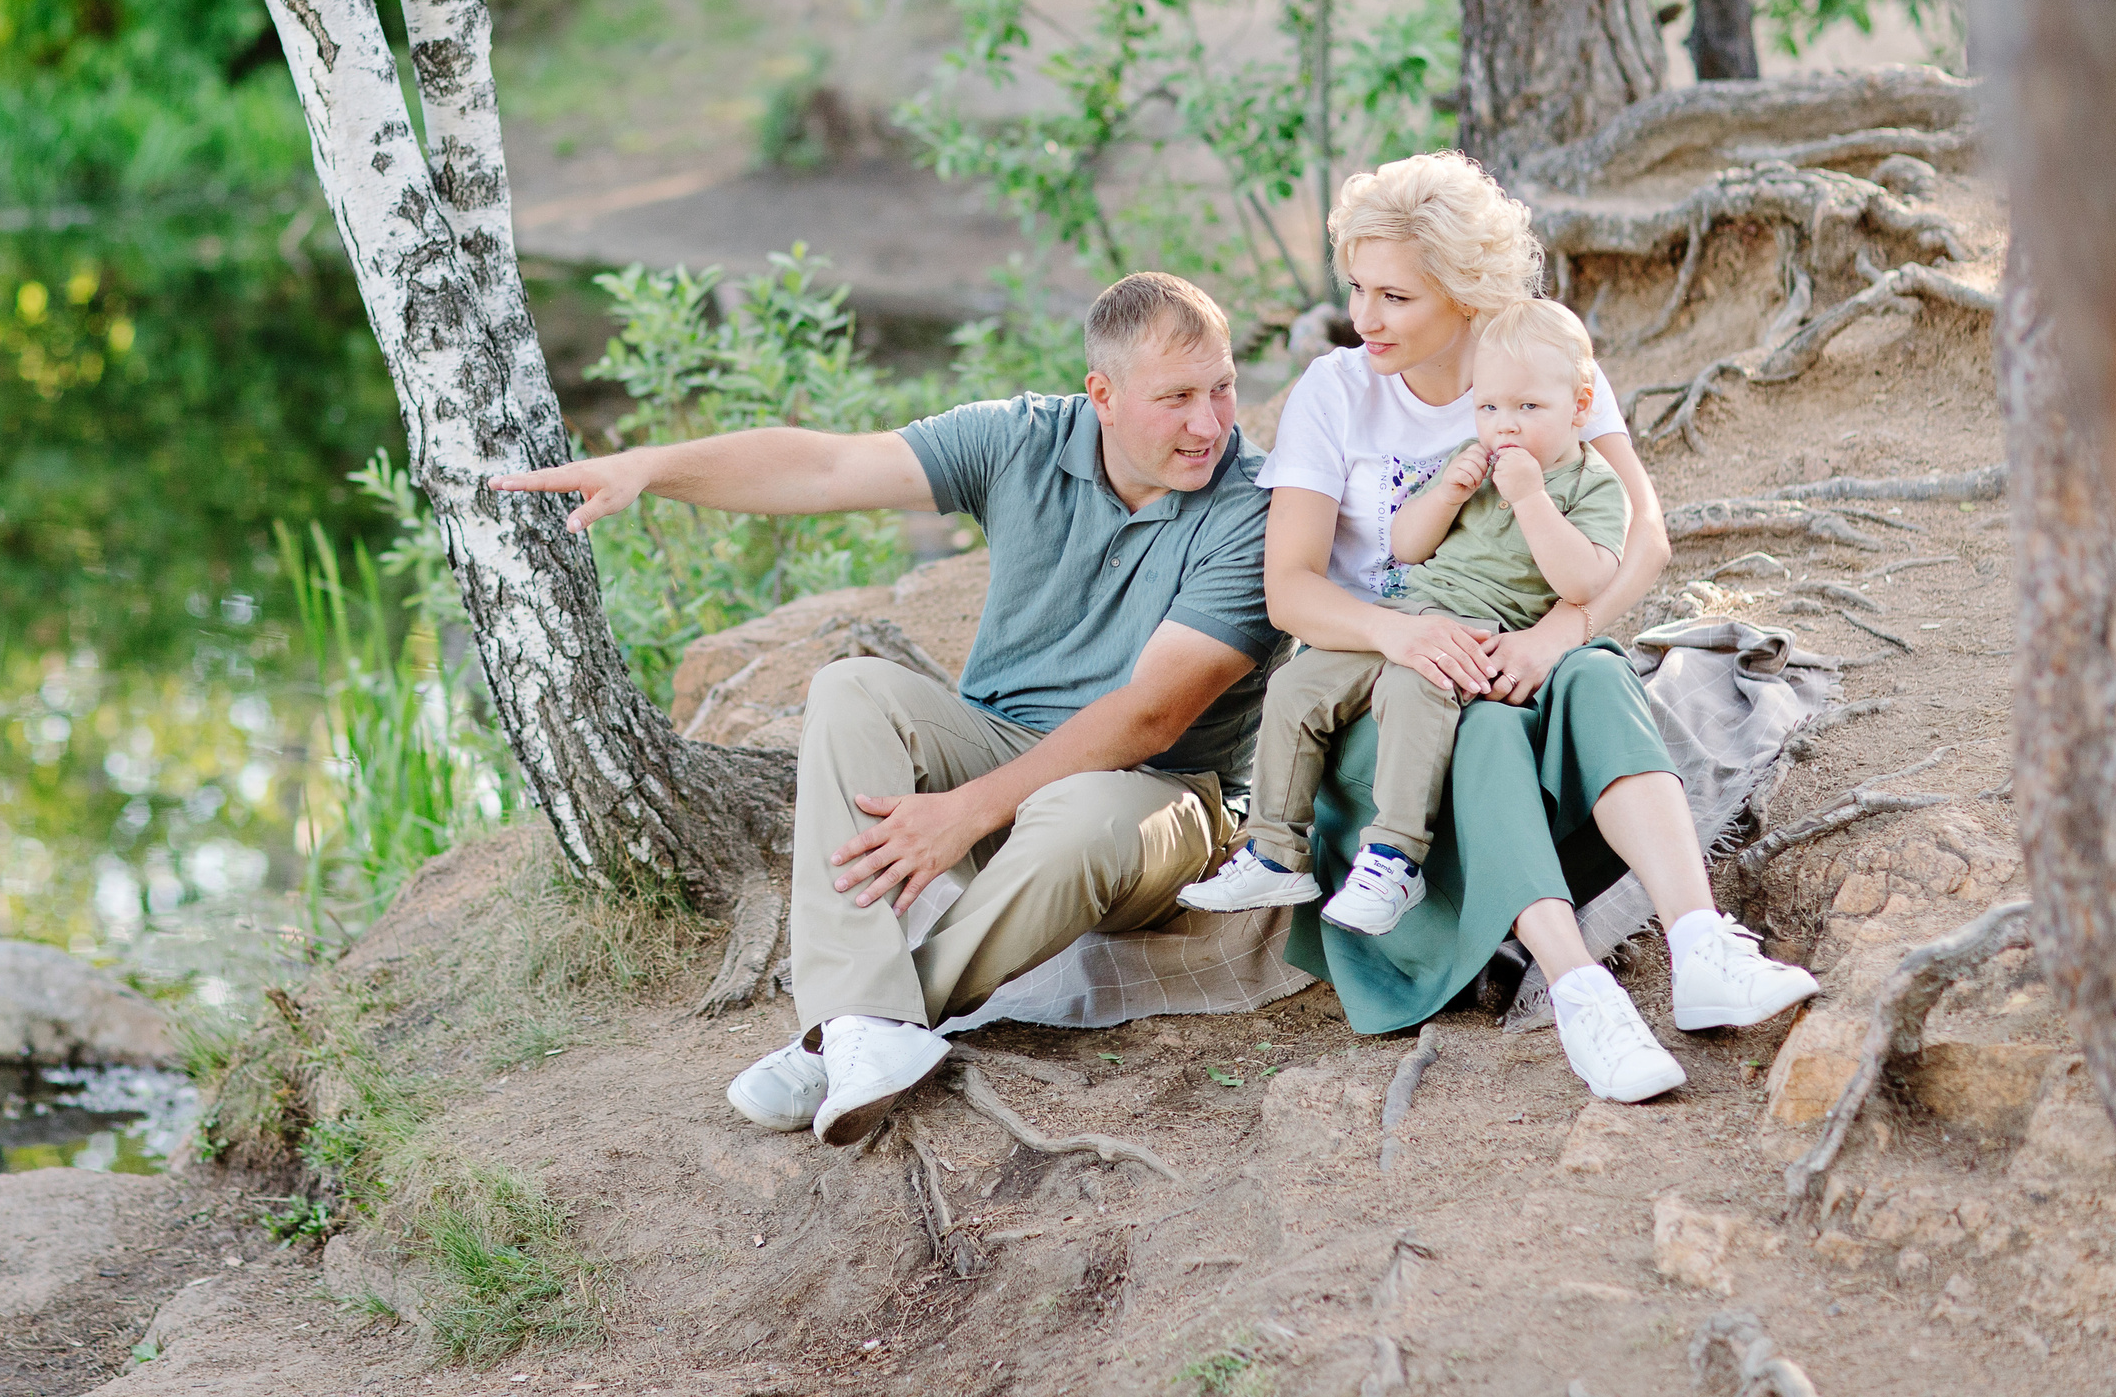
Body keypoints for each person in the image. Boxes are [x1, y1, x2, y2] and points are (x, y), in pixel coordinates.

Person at [491, 272, 1280, 1145]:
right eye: (1176, 397)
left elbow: (1150, 716)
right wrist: (652, 467)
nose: (1210, 423)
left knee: (1083, 812)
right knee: (850, 688)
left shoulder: (1252, 506)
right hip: (1001, 743)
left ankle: (847, 1030)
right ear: (1101, 394)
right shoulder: (1019, 440)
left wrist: (966, 812)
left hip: (1153, 799)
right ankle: (868, 1026)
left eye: (1222, 386)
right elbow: (829, 464)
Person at [1231, 153, 1817, 1103]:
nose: (1365, 317)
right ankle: (1580, 987)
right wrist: (1402, 636)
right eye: (1357, 289)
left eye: (1395, 295)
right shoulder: (1334, 394)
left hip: (1517, 661)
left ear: (1466, 293)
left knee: (1592, 671)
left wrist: (1556, 634)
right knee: (1486, 719)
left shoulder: (1544, 370)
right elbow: (1291, 592)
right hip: (1384, 707)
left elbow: (1646, 538)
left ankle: (1700, 943)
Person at [1181, 297, 1628, 938]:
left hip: (1484, 629)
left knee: (1413, 688)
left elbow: (1584, 581)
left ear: (1580, 407)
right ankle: (1274, 849)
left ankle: (1394, 857)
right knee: (1295, 687)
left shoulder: (1590, 482)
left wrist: (1529, 498)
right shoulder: (1470, 463)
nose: (1505, 426)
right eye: (1489, 407)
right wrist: (1447, 492)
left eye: (1528, 409)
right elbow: (1407, 547)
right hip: (1406, 611)